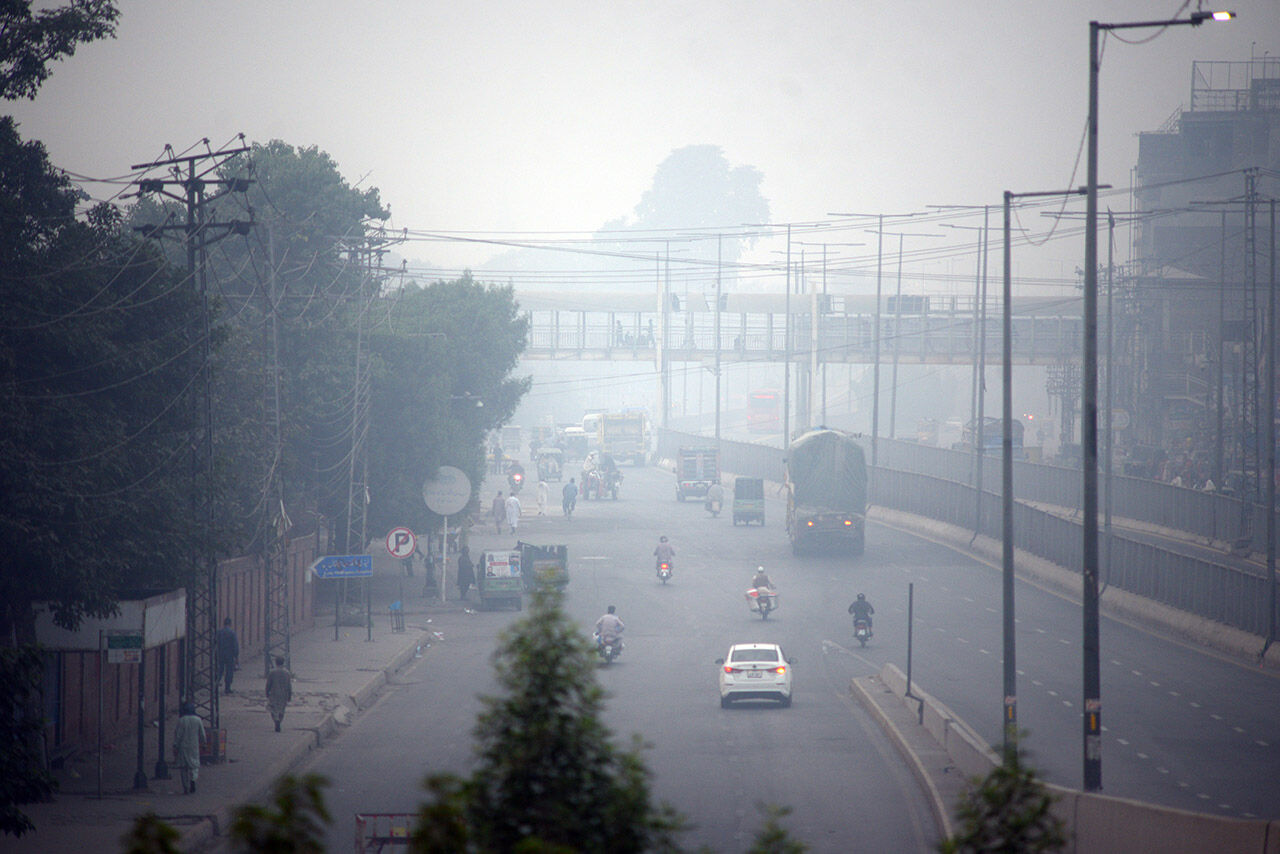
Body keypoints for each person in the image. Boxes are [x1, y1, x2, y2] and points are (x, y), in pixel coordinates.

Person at [174, 701, 205, 794]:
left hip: (183, 747)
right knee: (194, 765)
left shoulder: (181, 720)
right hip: (194, 746)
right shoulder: (198, 720)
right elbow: (202, 734)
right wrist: (203, 743)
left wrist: (175, 745)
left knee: (183, 768)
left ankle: (186, 788)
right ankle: (193, 780)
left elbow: (178, 735)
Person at [265, 656, 292, 733]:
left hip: (274, 693)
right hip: (284, 694)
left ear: (276, 662)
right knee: (282, 709)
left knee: (273, 709)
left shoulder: (272, 672)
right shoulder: (287, 673)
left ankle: (276, 720)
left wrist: (267, 692)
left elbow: (268, 684)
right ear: (283, 662)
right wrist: (289, 695)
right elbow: (289, 686)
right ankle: (279, 720)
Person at [215, 617, 239, 694]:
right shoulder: (232, 633)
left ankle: (215, 686)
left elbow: (214, 643)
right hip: (229, 655)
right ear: (230, 624)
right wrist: (236, 655)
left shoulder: (218, 632)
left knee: (219, 670)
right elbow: (235, 645)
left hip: (220, 654)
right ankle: (227, 688)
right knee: (229, 671)